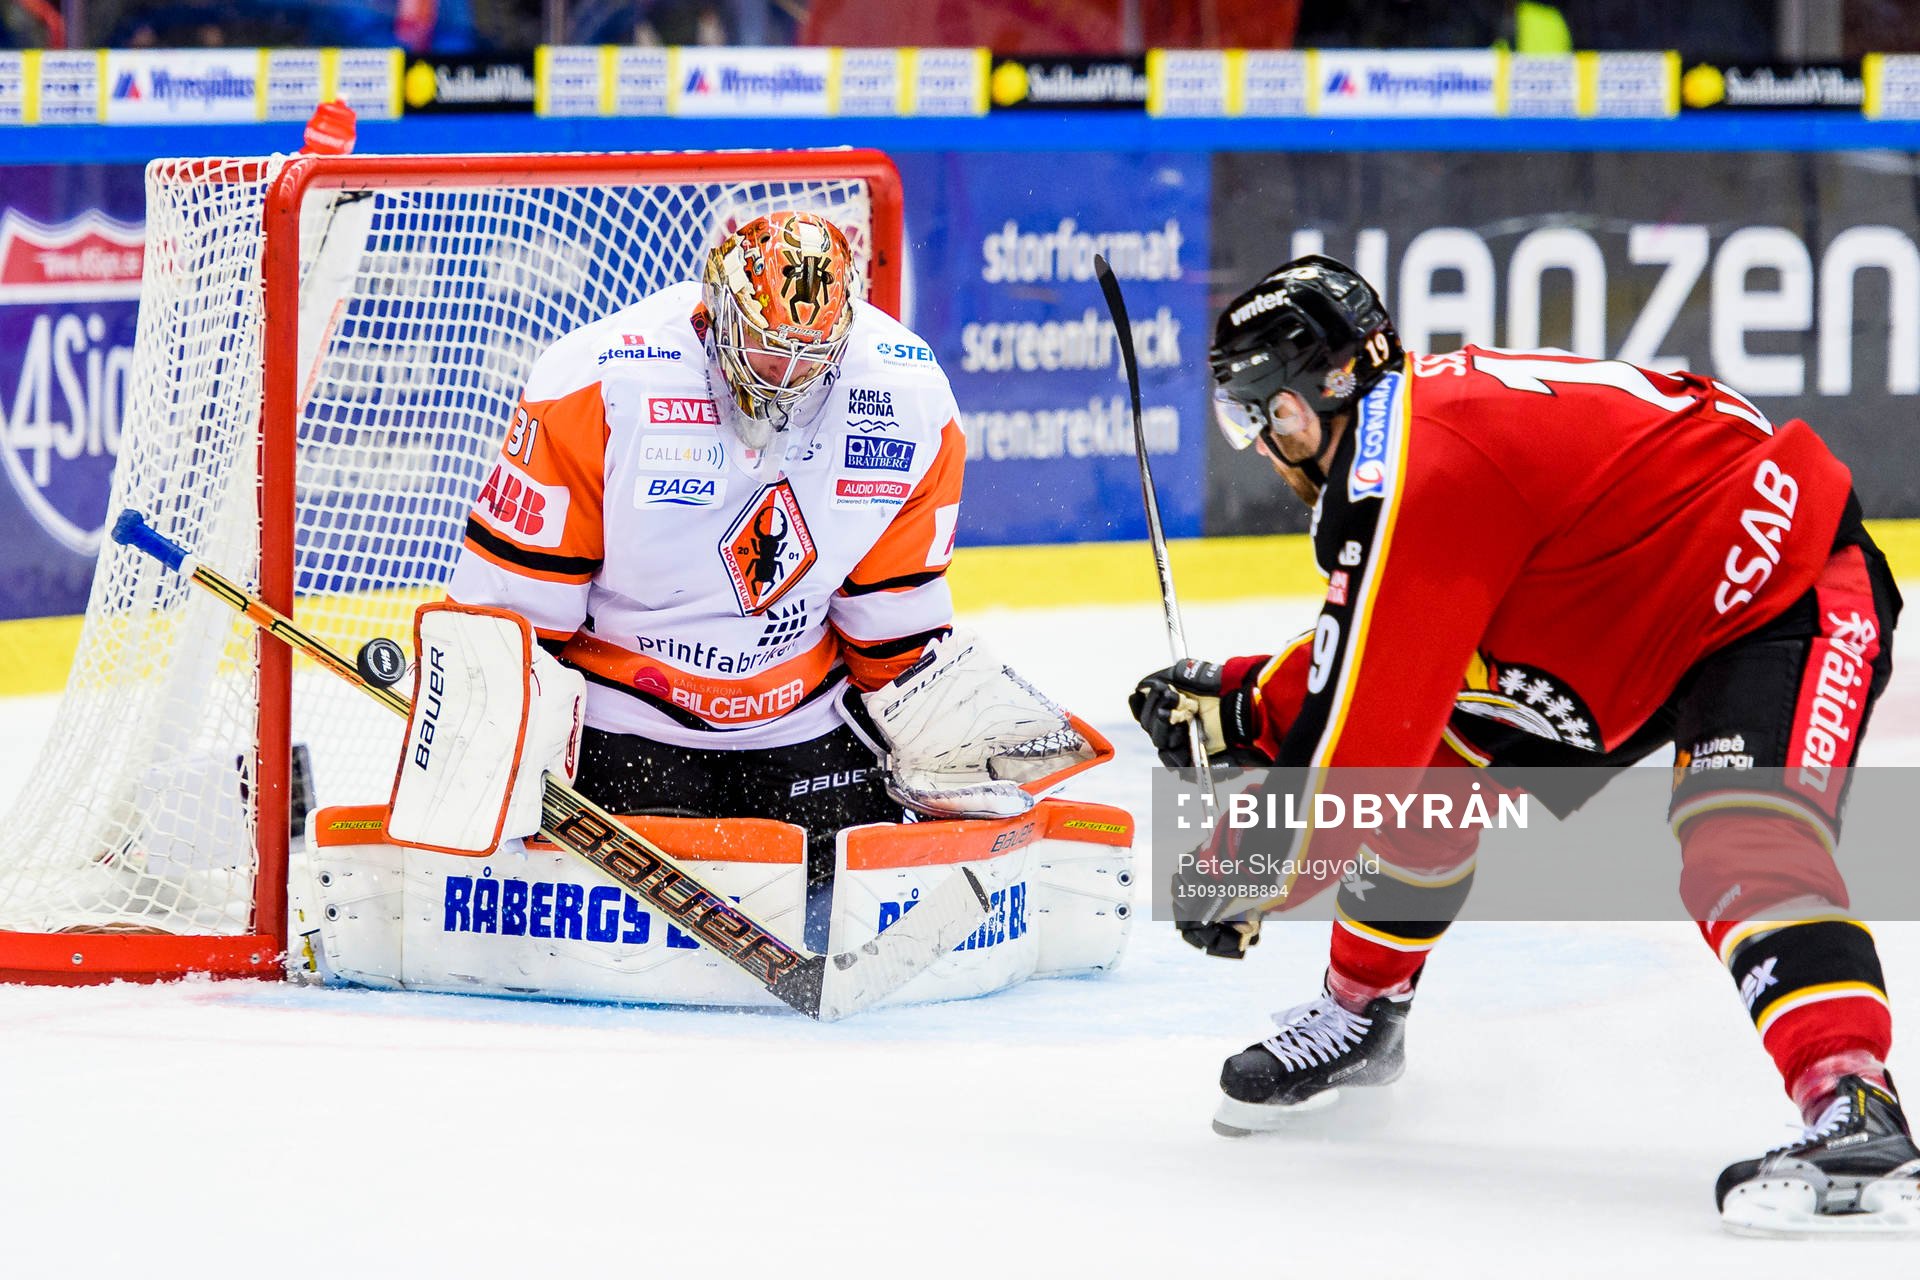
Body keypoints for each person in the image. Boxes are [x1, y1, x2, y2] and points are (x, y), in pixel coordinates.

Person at [1129, 255, 1919, 1233]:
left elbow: (1364, 729)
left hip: (1774, 590)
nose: (1261, 445)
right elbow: (1407, 648)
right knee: (1437, 766)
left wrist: (1248, 861)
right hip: (1630, 610)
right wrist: (1249, 701)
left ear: (1312, 397)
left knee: (1741, 836)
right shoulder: (1414, 427)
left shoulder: (1411, 466)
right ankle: (1363, 1011)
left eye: (1263, 416)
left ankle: (1857, 1106)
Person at [419, 210, 1094, 948]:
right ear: (715, 310)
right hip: (629, 732)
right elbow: (509, 618)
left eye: (811, 358)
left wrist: (948, 755)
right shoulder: (602, 382)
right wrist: (481, 769)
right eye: (768, 349)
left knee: (844, 919)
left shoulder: (908, 394)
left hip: (809, 730)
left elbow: (894, 616)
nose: (787, 376)